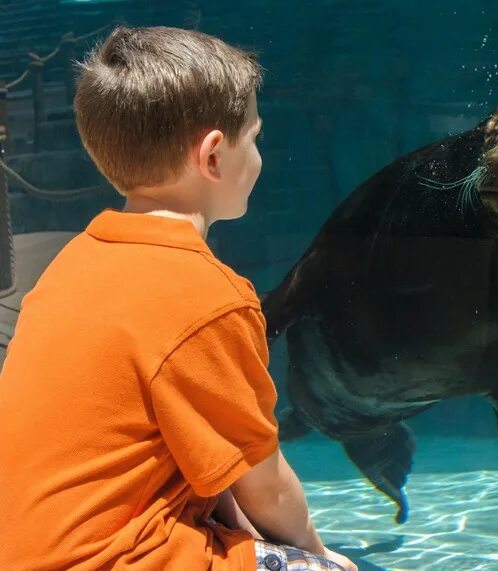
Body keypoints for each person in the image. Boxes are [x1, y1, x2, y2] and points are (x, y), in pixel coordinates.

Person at [0, 25, 357, 571]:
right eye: (255, 137)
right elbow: (266, 489)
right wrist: (318, 553)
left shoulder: (72, 264)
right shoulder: (210, 298)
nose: (259, 153)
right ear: (214, 156)